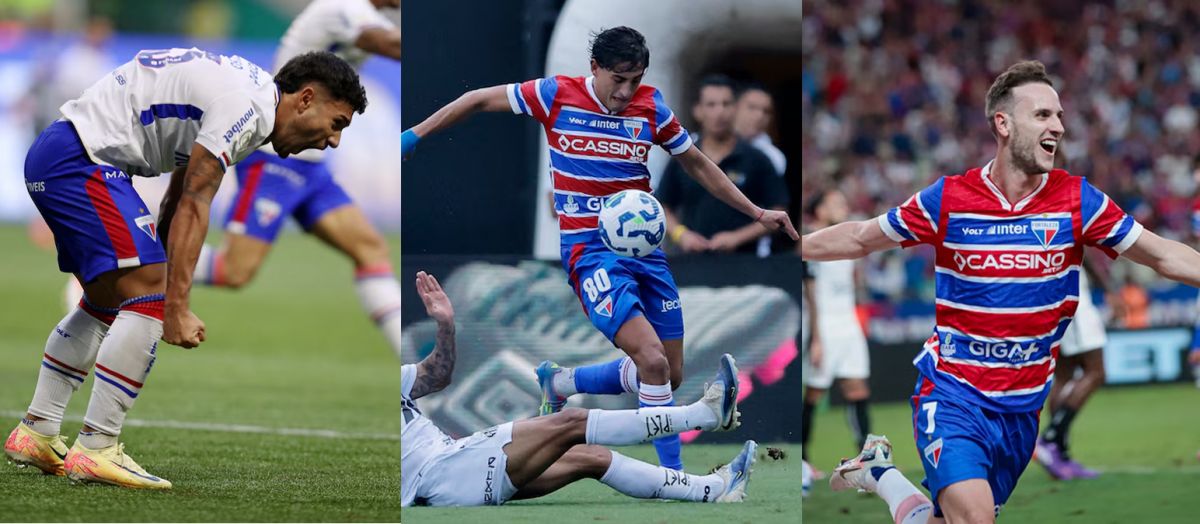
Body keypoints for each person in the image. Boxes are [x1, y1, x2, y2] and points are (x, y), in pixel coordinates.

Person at [803, 60, 1200, 523]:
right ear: (1004, 124)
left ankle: (881, 475)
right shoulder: (948, 199)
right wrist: (793, 247)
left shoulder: (1078, 200)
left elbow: (1162, 255)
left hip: (1022, 409)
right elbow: (859, 237)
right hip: (954, 392)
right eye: (1044, 115)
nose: (1059, 126)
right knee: (974, 519)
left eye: (1060, 116)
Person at [400, 26, 797, 471]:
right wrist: (414, 135)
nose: (626, 92)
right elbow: (475, 99)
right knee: (651, 361)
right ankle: (674, 476)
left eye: (636, 80)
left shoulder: (651, 106)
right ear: (595, 68)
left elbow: (697, 164)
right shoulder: (554, 94)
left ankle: (562, 381)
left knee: (671, 372)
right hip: (591, 252)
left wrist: (757, 212)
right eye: (618, 79)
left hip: (646, 254)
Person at [4, 48, 367, 489]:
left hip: (63, 154)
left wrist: (155, 245)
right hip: (82, 163)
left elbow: (181, 185)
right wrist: (174, 306)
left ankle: (37, 431)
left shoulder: (251, 99)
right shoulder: (248, 107)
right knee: (151, 293)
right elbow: (197, 199)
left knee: (105, 301)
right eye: (337, 124)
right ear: (306, 99)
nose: (333, 142)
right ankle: (97, 445)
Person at [402, 271, 755, 506]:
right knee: (571, 422)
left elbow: (438, 376)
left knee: (591, 458)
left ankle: (714, 489)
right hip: (440, 474)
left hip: (452, 462)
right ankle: (702, 415)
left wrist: (446, 324)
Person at [191, 0, 405, 356]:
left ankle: (410, 371)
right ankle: (125, 260)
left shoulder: (364, 14)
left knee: (371, 250)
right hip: (277, 155)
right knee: (234, 271)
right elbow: (390, 44)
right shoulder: (344, 8)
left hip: (312, 162)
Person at [658, 75, 790, 256]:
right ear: (698, 110)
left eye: (726, 104)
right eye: (711, 105)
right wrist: (682, 235)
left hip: (743, 263)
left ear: (736, 109)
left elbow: (778, 211)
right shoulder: (683, 156)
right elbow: (662, 204)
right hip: (691, 261)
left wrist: (737, 237)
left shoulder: (758, 159)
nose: (719, 112)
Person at [800, 190, 872, 472]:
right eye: (835, 202)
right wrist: (816, 338)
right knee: (815, 392)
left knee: (857, 389)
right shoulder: (811, 243)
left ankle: (867, 460)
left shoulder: (848, 241)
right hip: (824, 324)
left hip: (848, 322)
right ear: (819, 210)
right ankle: (804, 462)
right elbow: (811, 293)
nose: (843, 206)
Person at [1034, 258, 1109, 480]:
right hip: (1074, 301)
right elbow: (1083, 250)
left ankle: (1060, 456)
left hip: (1053, 301)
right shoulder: (1068, 222)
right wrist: (1109, 291)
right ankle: (1050, 438)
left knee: (1064, 377)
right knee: (1096, 372)